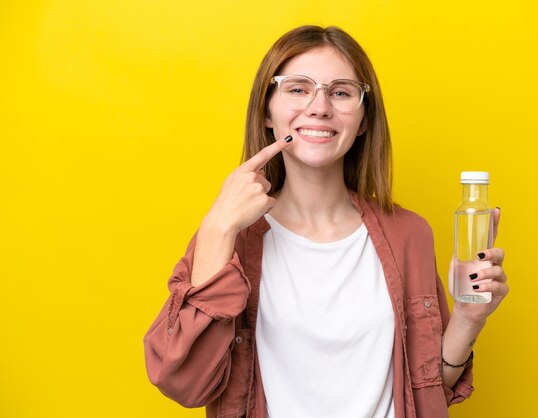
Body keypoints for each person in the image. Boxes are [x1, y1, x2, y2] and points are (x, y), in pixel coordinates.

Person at [144, 25, 509, 418]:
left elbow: (425, 388)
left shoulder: (409, 234)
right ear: (268, 112)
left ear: (364, 120)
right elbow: (183, 383)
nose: (319, 107)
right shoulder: (228, 236)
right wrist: (217, 227)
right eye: (298, 88)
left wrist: (469, 319)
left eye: (340, 92)